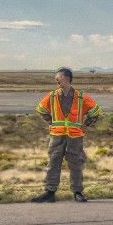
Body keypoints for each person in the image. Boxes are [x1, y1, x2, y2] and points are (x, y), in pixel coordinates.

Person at [32, 67, 98, 203]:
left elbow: (96, 111)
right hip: (57, 135)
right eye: (56, 78)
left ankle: (78, 193)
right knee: (53, 162)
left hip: (75, 137)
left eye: (59, 77)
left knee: (76, 164)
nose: (56, 80)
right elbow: (40, 109)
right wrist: (51, 122)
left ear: (67, 78)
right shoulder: (52, 96)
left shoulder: (81, 97)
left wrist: (85, 125)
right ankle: (50, 193)